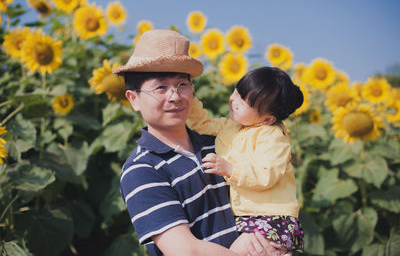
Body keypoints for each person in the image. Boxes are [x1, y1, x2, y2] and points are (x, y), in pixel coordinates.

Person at [114, 30, 286, 256]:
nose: (175, 96)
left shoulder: (221, 142)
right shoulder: (141, 170)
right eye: (161, 88)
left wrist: (279, 241)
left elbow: (271, 190)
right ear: (133, 99)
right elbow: (186, 251)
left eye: (182, 84)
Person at [186, 66, 305, 254]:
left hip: (272, 217)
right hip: (249, 217)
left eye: (244, 101)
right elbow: (202, 124)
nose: (234, 100)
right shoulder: (231, 127)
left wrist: (230, 169)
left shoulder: (272, 137)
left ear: (267, 119)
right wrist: (189, 100)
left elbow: (266, 175)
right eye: (236, 92)